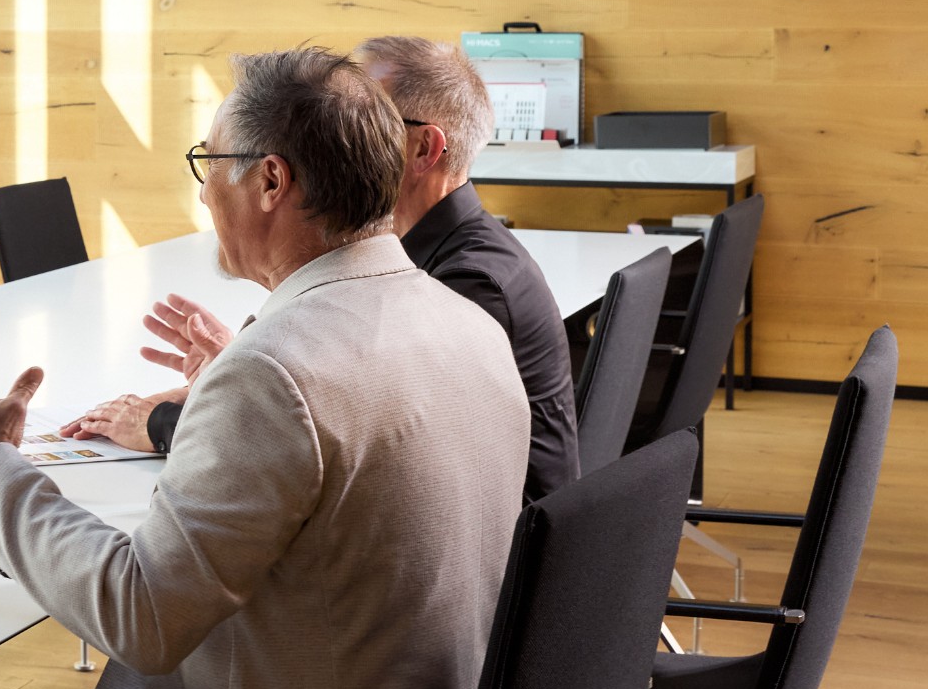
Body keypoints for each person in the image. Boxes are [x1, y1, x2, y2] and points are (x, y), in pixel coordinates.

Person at [0, 48, 529, 689]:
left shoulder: (275, 372)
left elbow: (141, 616)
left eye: (209, 162)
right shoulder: (469, 325)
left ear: (271, 181)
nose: (201, 187)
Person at [80, 35, 582, 501]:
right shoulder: (434, 258)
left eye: (372, 121)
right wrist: (234, 377)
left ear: (425, 148)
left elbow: (355, 434)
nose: (346, 134)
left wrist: (175, 417)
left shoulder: (468, 287)